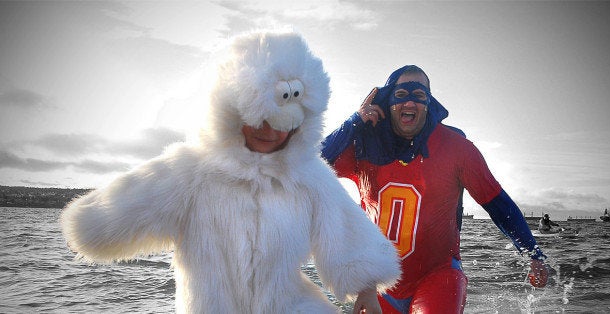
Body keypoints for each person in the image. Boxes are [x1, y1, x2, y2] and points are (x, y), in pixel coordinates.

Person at [60, 31, 400, 313]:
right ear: (233, 111)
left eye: (281, 124)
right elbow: (102, 223)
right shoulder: (190, 171)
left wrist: (366, 291)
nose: (269, 132)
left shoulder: (310, 177)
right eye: (259, 120)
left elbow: (349, 240)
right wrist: (95, 221)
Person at [322, 65, 549, 313]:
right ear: (387, 102)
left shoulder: (457, 149)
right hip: (378, 282)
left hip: (438, 275)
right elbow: (305, 165)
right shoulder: (363, 145)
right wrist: (354, 121)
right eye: (400, 95)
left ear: (429, 104)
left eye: (419, 96)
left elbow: (496, 203)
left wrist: (533, 254)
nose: (410, 103)